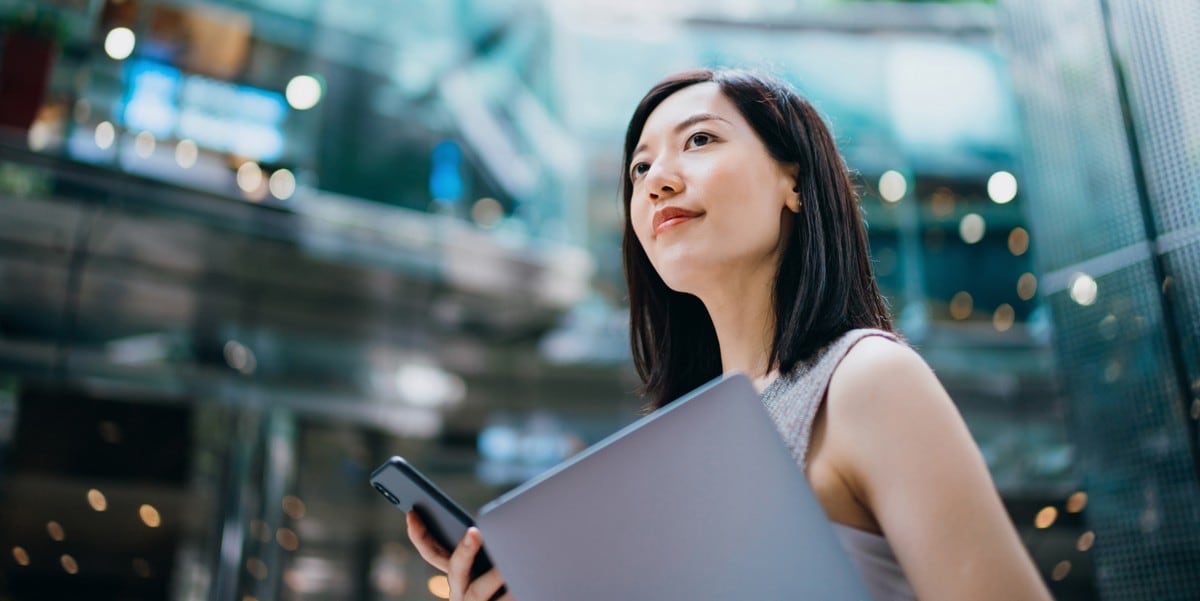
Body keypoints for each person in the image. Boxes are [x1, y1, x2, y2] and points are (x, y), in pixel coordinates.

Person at [406, 68, 1054, 601]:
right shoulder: (679, 452)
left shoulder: (866, 379)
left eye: (699, 141)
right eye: (638, 169)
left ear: (793, 181)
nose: (656, 179)